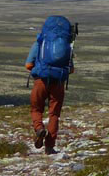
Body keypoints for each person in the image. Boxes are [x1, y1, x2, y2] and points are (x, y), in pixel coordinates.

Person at [25, 16, 77, 155]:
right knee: (54, 114)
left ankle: (39, 128)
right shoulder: (66, 45)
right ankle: (49, 147)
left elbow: (28, 64)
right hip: (58, 82)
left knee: (36, 109)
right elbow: (71, 69)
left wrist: (40, 69)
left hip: (41, 81)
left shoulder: (40, 43)